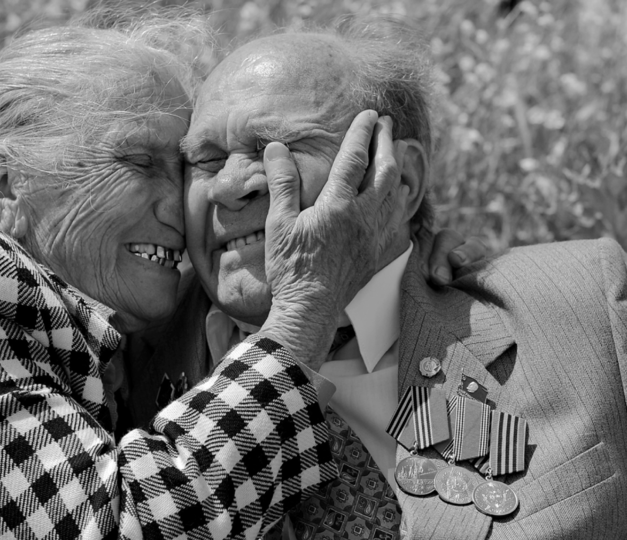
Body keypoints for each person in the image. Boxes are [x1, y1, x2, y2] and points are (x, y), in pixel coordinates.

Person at [0, 12, 485, 540]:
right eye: (141, 164)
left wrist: (401, 241)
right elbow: (126, 525)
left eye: (185, 170)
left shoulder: (110, 323)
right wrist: (305, 305)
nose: (186, 205)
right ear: (6, 184)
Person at [136, 15, 627, 540]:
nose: (229, 186)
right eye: (205, 161)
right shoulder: (127, 367)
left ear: (402, 177)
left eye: (275, 148)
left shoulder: (584, 302)